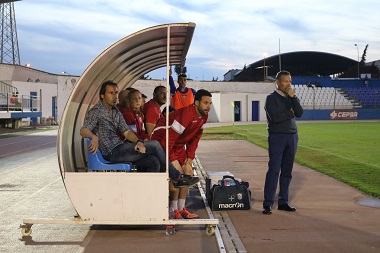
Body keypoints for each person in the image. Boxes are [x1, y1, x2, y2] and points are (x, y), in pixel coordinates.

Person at [80, 80, 199, 187]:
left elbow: (126, 132)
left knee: (154, 161)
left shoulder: (116, 111)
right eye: (111, 93)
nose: (115, 96)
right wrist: (93, 136)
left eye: (116, 93)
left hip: (121, 148)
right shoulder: (96, 111)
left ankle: (147, 194)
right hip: (111, 152)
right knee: (155, 145)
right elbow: (83, 130)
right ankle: (177, 177)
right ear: (102, 95)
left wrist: (138, 142)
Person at [151, 89, 212, 219]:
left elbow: (196, 137)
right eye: (205, 103)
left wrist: (190, 158)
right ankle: (173, 210)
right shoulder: (186, 114)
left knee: (188, 172)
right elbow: (168, 139)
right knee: (177, 174)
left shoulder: (204, 116)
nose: (208, 106)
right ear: (196, 103)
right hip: (162, 140)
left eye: (210, 103)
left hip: (177, 144)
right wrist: (173, 160)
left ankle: (182, 208)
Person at [262, 71, 303, 215]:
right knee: (274, 170)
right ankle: (267, 204)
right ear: (277, 82)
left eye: (290, 81)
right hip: (277, 137)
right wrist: (290, 113)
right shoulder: (271, 98)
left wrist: (293, 98)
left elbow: (299, 113)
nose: (288, 84)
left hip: (292, 136)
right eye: (285, 81)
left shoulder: (292, 98)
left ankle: (283, 201)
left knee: (287, 172)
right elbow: (275, 117)